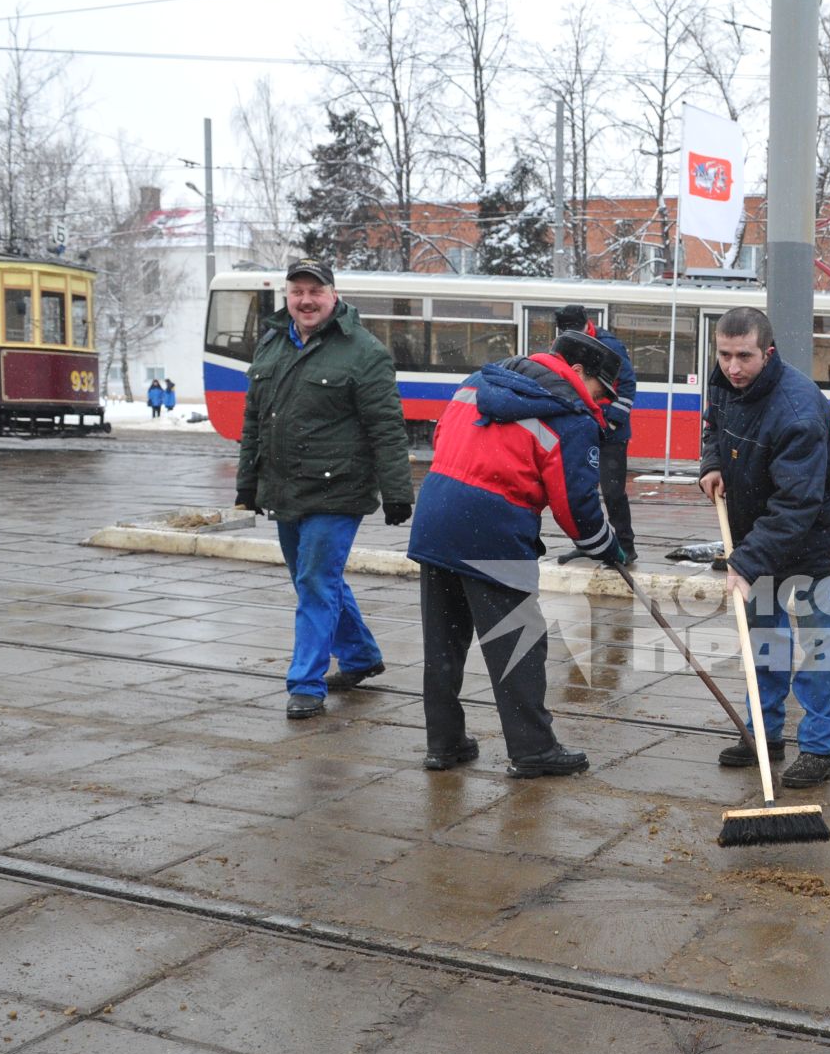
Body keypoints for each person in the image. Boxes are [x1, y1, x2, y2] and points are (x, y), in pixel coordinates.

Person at [408, 332, 628, 778]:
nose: (600, 404)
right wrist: (606, 546)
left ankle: (444, 743)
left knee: (444, 641)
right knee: (519, 642)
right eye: (601, 392)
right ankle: (533, 750)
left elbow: (441, 435)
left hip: (435, 517)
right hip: (493, 531)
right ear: (580, 373)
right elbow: (576, 505)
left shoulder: (479, 381)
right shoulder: (570, 415)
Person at [233, 257, 413, 720]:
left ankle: (305, 683)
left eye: (315, 291)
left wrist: (397, 492)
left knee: (314, 581)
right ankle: (360, 656)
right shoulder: (271, 343)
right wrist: (246, 485)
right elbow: (254, 421)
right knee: (314, 579)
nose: (306, 300)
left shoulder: (364, 351)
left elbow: (387, 427)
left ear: (334, 295)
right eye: (297, 292)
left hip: (339, 490)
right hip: (285, 488)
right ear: (287, 297)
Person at [698, 307, 830, 789]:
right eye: (724, 355)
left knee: (817, 647)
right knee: (762, 643)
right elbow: (713, 427)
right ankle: (763, 736)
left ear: (766, 352)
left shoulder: (797, 410)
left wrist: (744, 562)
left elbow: (796, 503)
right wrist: (711, 464)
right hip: (758, 535)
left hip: (812, 543)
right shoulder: (726, 383)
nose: (732, 367)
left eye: (743, 356)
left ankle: (818, 748)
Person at [552, 304, 638, 565]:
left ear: (585, 324)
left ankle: (625, 546)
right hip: (583, 426)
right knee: (583, 489)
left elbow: (628, 385)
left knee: (613, 492)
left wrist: (612, 422)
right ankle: (589, 543)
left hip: (611, 431)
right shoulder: (564, 343)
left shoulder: (609, 344)